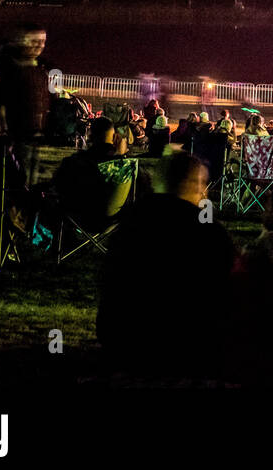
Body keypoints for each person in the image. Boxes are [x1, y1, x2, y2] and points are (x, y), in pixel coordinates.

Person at [96, 153, 236, 375]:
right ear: (197, 186)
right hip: (185, 350)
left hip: (122, 341)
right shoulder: (209, 235)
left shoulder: (131, 224)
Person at [0, 25, 51, 186]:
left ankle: (25, 201)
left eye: (43, 41)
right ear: (23, 41)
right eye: (35, 41)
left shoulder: (40, 69)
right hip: (18, 134)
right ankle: (17, 204)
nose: (40, 45)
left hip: (36, 134)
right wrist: (2, 129)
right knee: (18, 176)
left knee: (31, 176)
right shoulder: (10, 67)